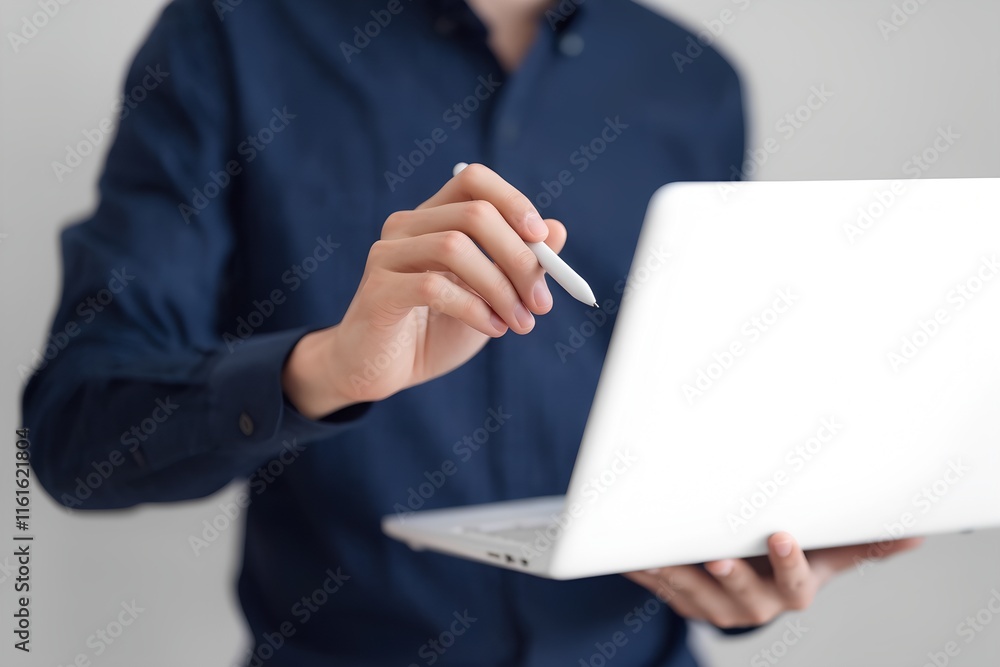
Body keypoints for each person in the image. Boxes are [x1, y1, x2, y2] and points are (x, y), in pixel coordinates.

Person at [22, 0, 921, 665]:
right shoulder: (230, 36)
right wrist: (329, 368)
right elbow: (76, 434)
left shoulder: (694, 84)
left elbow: (705, 415)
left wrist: (743, 571)